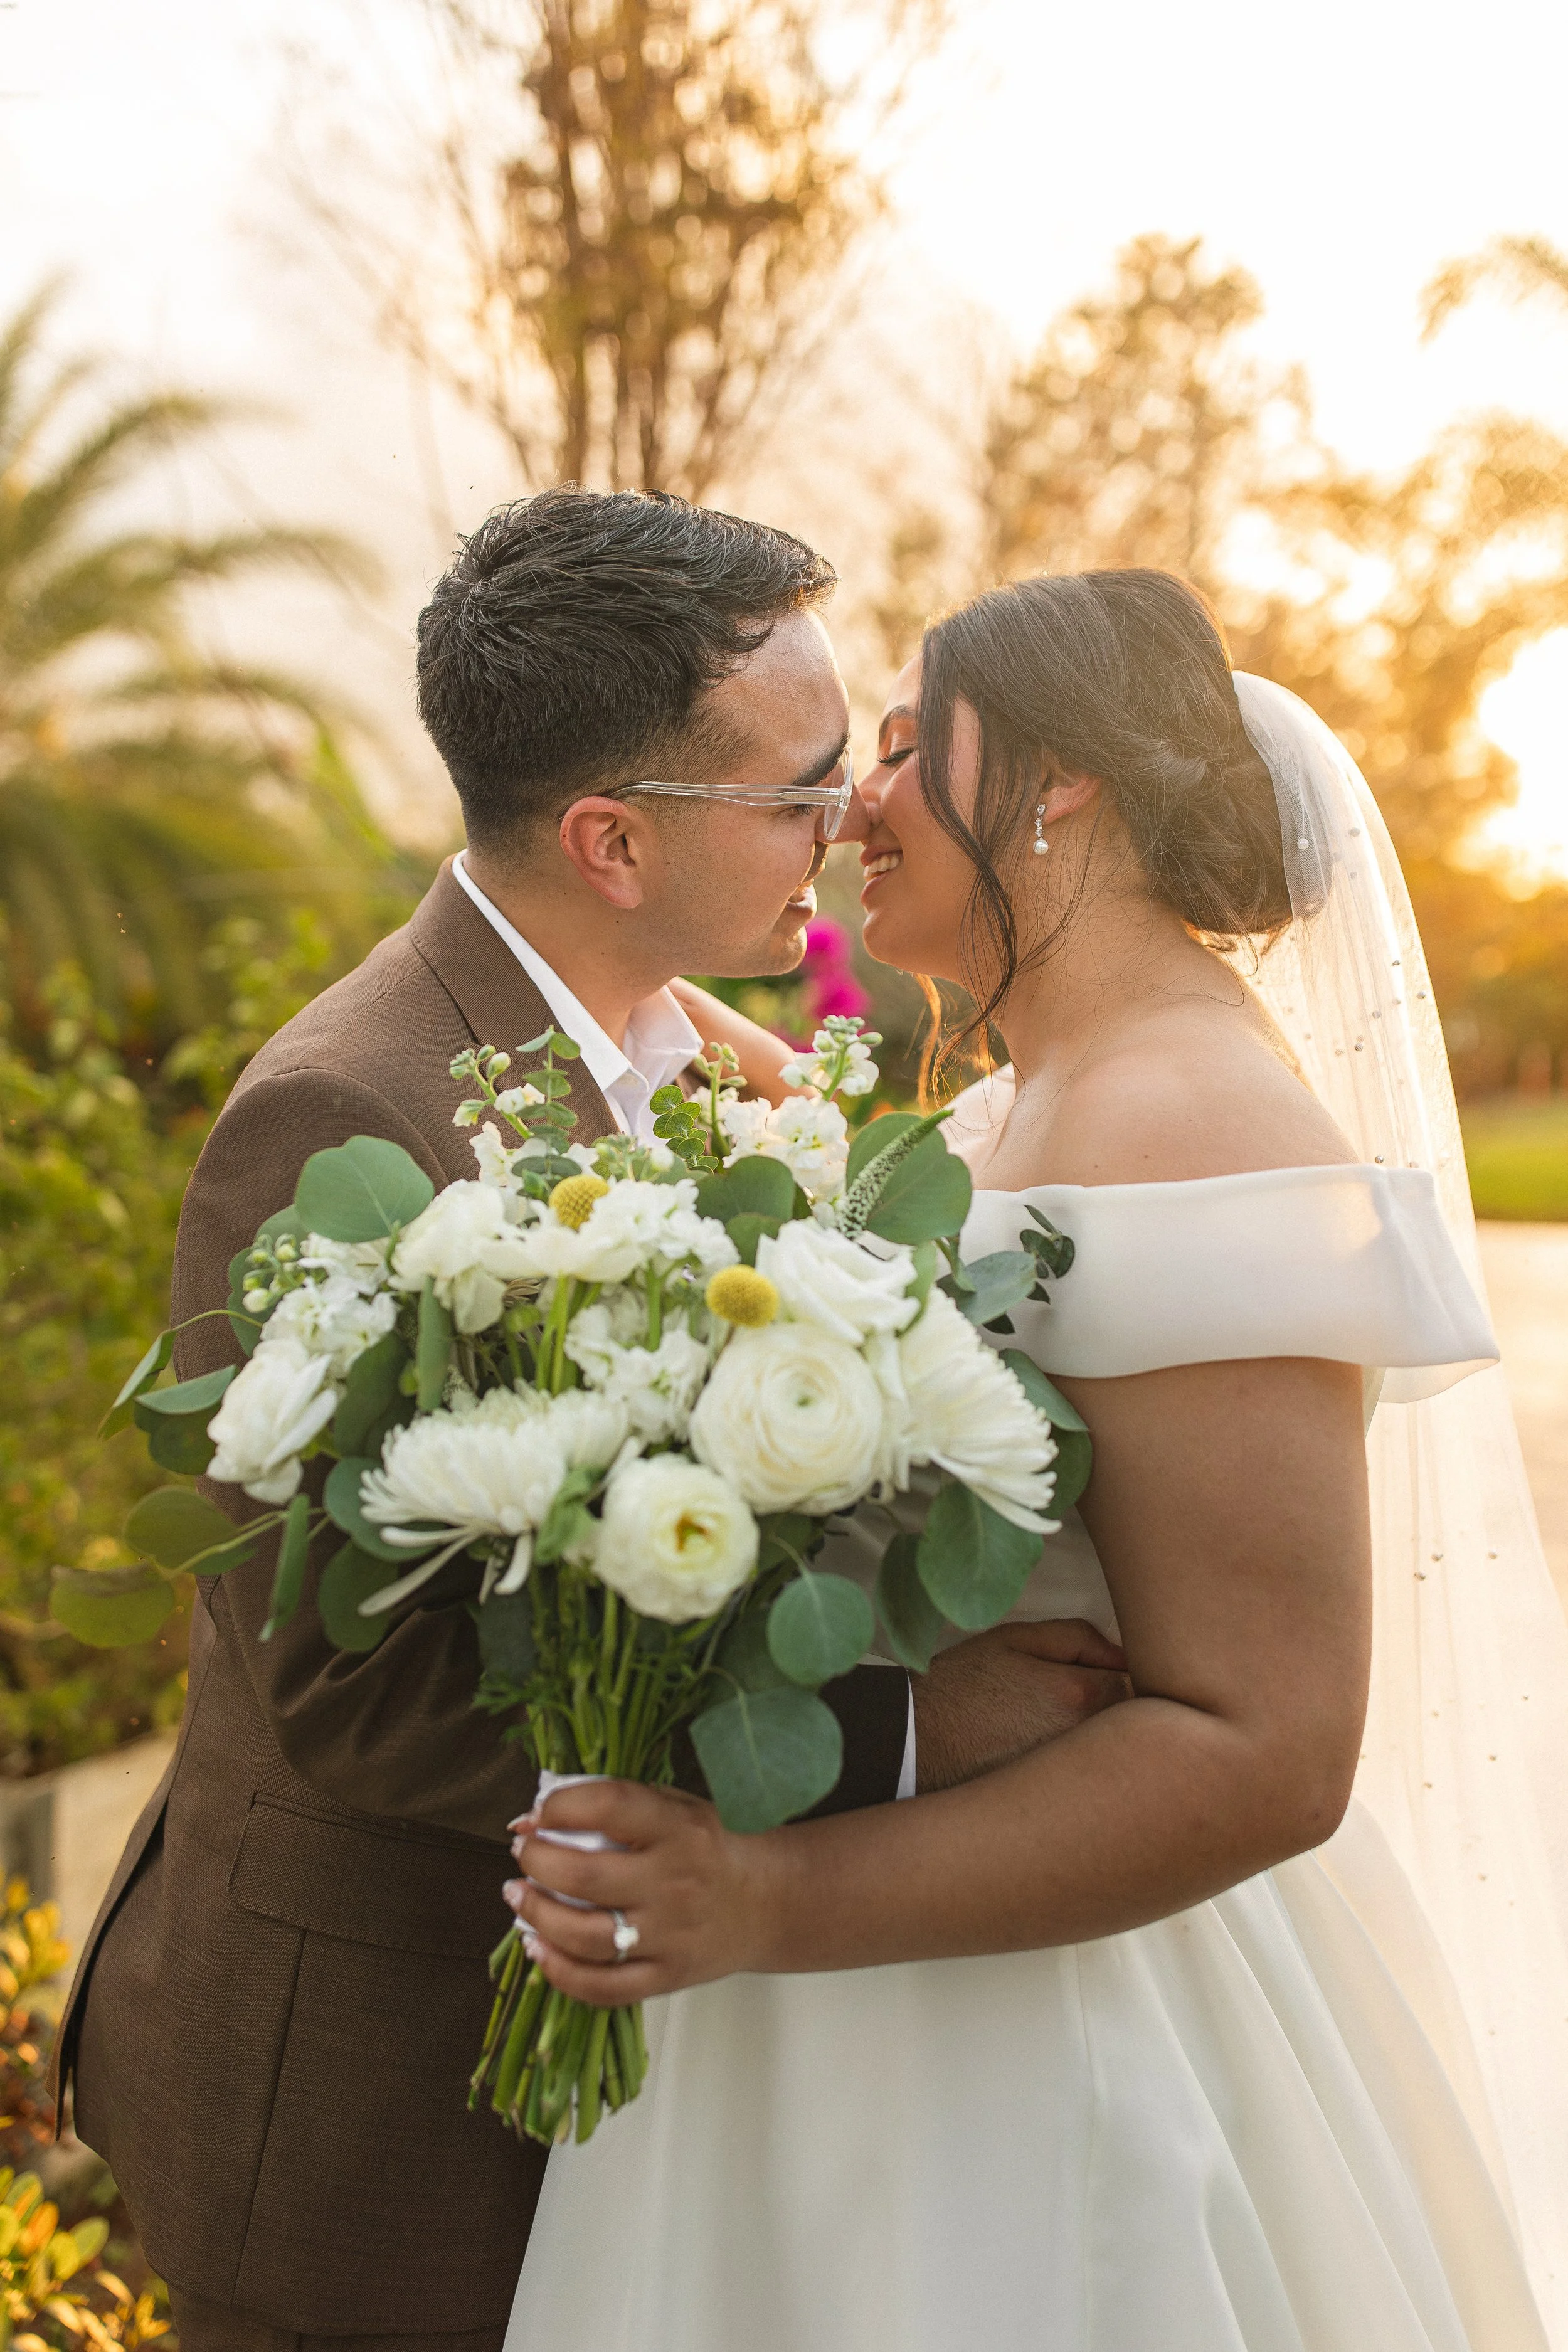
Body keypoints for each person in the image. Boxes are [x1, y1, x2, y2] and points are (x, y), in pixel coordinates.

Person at [55, 493, 1125, 2352]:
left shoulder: (687, 1049)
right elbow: (350, 1686)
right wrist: (891, 1738)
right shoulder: (339, 1120)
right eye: (797, 789)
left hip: (610, 2075)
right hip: (374, 2112)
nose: (850, 820)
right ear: (611, 839)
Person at [502, 570, 1568, 2351]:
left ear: (1060, 781)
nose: (859, 798)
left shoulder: (1199, 1115)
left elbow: (1269, 1746)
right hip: (831, 2024)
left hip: (1054, 2040)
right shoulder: (1020, 1102)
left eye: (915, 745)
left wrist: (762, 1893)